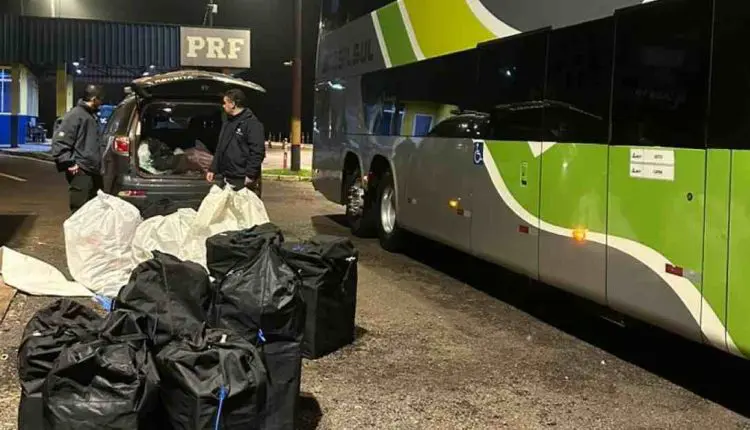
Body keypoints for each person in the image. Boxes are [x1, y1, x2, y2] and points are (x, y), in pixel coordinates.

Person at [51, 84, 105, 213]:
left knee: (91, 211)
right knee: (79, 209)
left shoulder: (90, 115)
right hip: (81, 170)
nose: (101, 103)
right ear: (94, 99)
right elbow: (60, 141)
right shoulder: (76, 115)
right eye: (100, 100)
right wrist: (68, 162)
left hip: (91, 169)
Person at [206, 88, 266, 197]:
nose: (223, 106)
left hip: (242, 178)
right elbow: (221, 147)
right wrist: (213, 169)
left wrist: (250, 175)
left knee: (243, 207)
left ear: (233, 104)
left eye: (225, 103)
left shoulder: (252, 124)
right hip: (227, 176)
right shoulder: (228, 122)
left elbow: (257, 151)